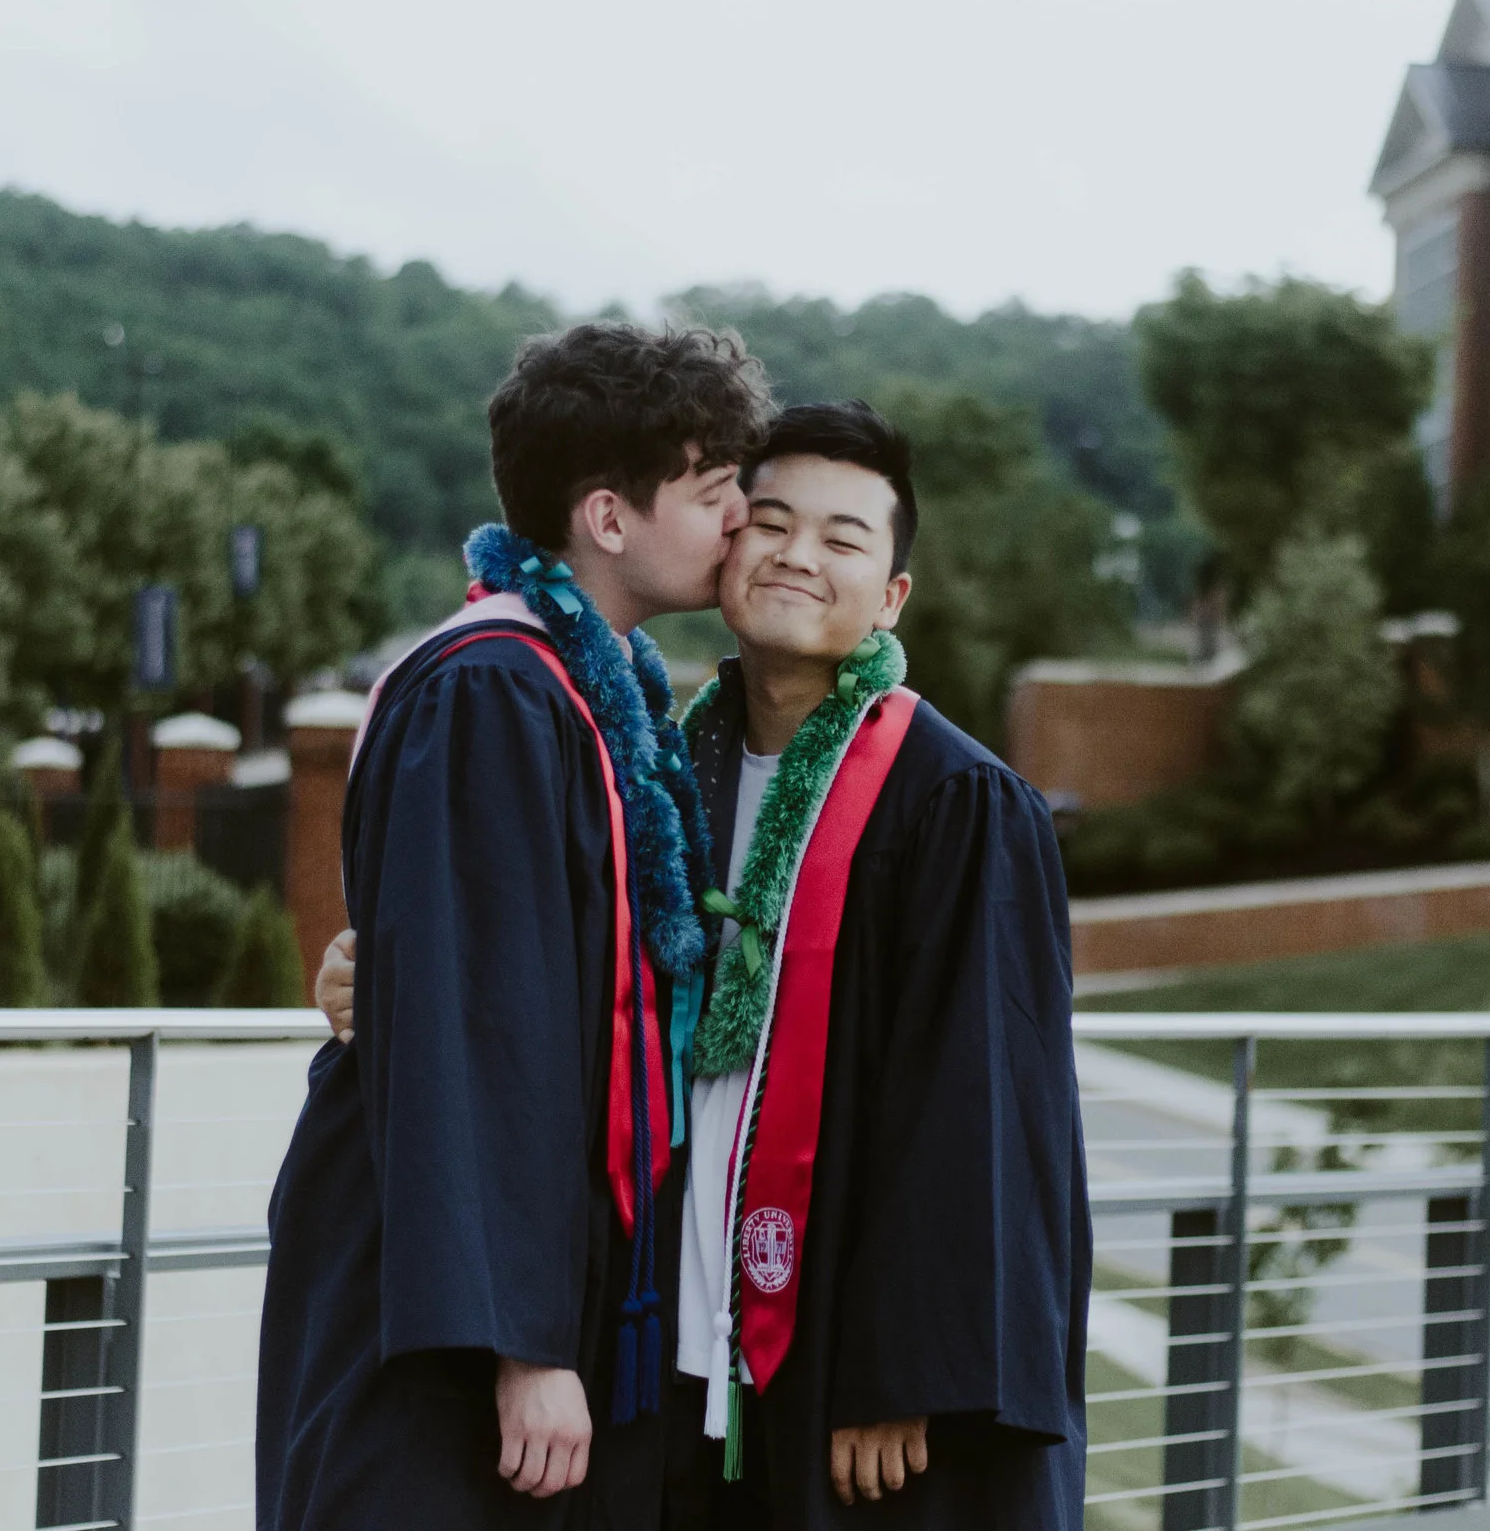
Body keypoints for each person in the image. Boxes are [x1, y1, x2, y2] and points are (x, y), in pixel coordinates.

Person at [317, 402, 1092, 1529]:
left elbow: (985, 1109)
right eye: (769, 521)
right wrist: (375, 975)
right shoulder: (662, 780)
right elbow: (548, 992)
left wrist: (906, 1375)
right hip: (666, 1362)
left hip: (844, 1374)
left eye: (842, 539)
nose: (796, 554)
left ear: (892, 595)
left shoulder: (953, 801)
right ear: (725, 548)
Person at [256, 321, 768, 1531]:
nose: (740, 516)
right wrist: (522, 1346)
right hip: (443, 1313)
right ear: (608, 518)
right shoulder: (491, 688)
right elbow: (474, 1027)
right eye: (712, 490)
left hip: (541, 1277)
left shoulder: (600, 688)